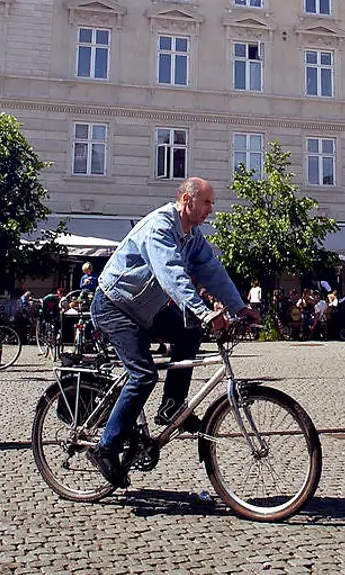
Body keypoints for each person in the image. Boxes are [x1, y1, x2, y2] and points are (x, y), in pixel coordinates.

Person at [87, 177, 257, 488]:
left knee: (190, 332)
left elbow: (211, 270)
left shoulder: (192, 236)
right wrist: (204, 311)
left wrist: (239, 307)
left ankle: (171, 406)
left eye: (211, 203)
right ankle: (105, 447)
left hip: (145, 309)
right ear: (186, 201)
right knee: (143, 374)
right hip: (115, 306)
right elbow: (171, 273)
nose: (211, 209)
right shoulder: (160, 227)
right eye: (206, 202)